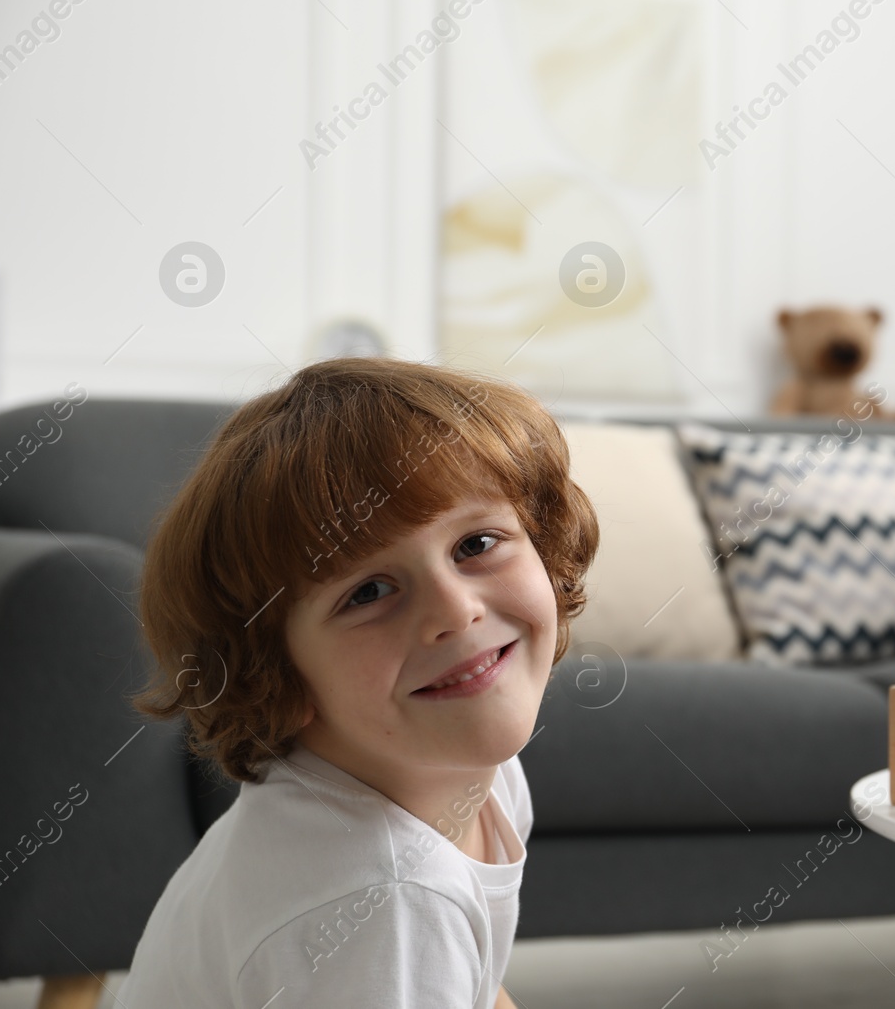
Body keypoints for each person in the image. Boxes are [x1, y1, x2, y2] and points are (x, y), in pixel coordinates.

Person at [118, 357, 599, 1008]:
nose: (457, 611)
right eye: (369, 591)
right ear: (278, 673)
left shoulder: (473, 774)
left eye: (476, 544)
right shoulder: (387, 901)